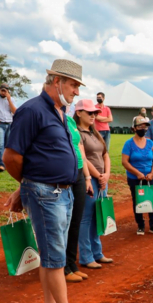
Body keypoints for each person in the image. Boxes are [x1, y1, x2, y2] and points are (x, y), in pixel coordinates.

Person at [3, 59, 90, 303]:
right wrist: (27, 185)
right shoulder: (31, 111)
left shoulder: (60, 111)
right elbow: (11, 157)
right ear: (57, 81)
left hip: (62, 191)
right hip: (45, 193)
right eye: (74, 85)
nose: (76, 91)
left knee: (52, 254)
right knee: (55, 257)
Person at [76, 99, 114, 269]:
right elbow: (83, 158)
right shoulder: (77, 134)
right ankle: (86, 256)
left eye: (95, 113)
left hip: (101, 181)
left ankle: (97, 253)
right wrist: (98, 176)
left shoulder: (95, 132)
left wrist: (106, 175)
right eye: (89, 113)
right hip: (90, 181)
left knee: (97, 217)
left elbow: (106, 155)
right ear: (79, 113)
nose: (93, 116)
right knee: (86, 219)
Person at [63, 99, 94, 283]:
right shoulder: (55, 120)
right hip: (64, 175)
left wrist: (88, 177)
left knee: (76, 220)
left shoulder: (71, 121)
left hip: (80, 175)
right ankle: (64, 268)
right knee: (65, 223)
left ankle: (72, 264)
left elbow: (81, 150)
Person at [123, 116, 153, 235]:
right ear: (134, 128)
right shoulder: (129, 144)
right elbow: (125, 162)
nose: (143, 129)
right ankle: (140, 225)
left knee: (152, 200)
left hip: (150, 177)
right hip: (135, 178)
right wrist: (137, 173)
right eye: (140, 127)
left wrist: (152, 173)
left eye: (145, 127)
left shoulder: (150, 143)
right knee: (137, 201)